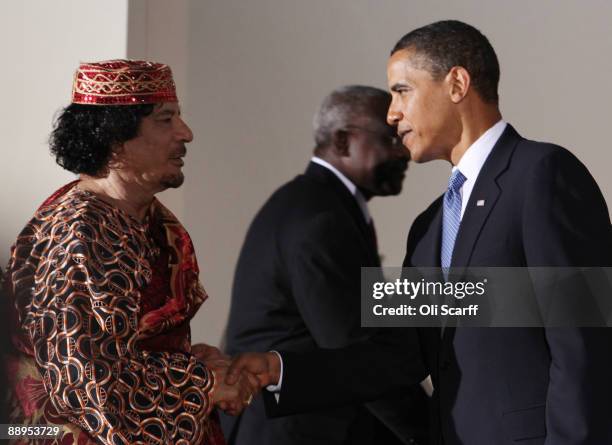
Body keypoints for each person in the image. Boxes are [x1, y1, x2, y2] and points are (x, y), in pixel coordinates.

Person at [228, 20, 612, 445]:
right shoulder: (428, 227)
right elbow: (400, 354)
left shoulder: (543, 173)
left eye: (402, 91)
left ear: (457, 83)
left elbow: (583, 339)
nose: (392, 113)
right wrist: (280, 370)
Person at [2, 60, 257, 445]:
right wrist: (202, 383)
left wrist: (196, 362)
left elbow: (139, 344)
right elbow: (87, 380)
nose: (185, 134)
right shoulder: (80, 231)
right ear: (115, 137)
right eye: (165, 119)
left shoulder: (149, 218)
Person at [221, 85, 427, 445]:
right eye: (391, 139)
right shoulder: (320, 218)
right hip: (292, 430)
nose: (404, 152)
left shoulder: (315, 203)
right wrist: (432, 431)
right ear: (344, 141)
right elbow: (350, 347)